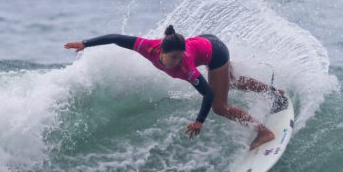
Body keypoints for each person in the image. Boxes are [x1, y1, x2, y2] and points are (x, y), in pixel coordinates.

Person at [64, 25, 284, 149]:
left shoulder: (186, 67)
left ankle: (263, 132)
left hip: (215, 52)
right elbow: (116, 38)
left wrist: (200, 121)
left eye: (180, 57)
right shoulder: (147, 47)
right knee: (233, 81)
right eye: (174, 57)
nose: (178, 61)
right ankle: (275, 93)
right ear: (161, 52)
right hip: (206, 41)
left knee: (220, 106)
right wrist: (85, 43)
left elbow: (207, 93)